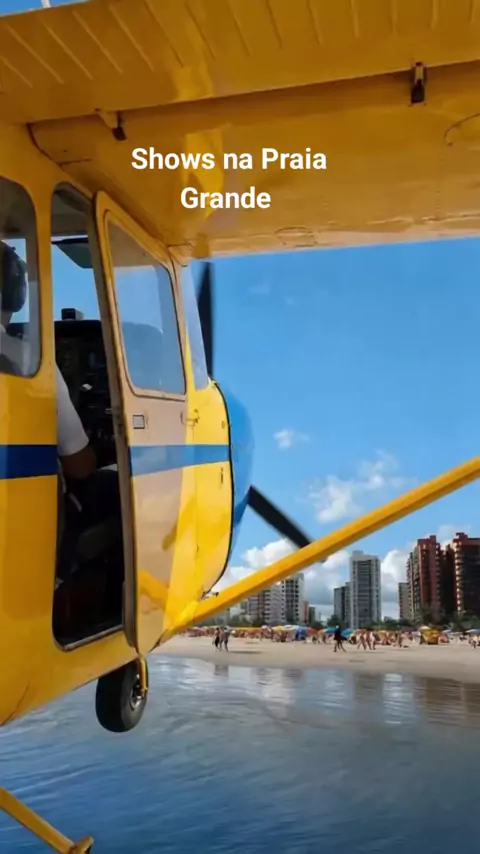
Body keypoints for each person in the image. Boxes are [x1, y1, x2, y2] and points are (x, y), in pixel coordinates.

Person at [0, 242, 120, 583]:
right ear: (15, 292)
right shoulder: (30, 362)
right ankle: (63, 585)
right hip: (16, 530)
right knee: (119, 491)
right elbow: (79, 466)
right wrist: (105, 450)